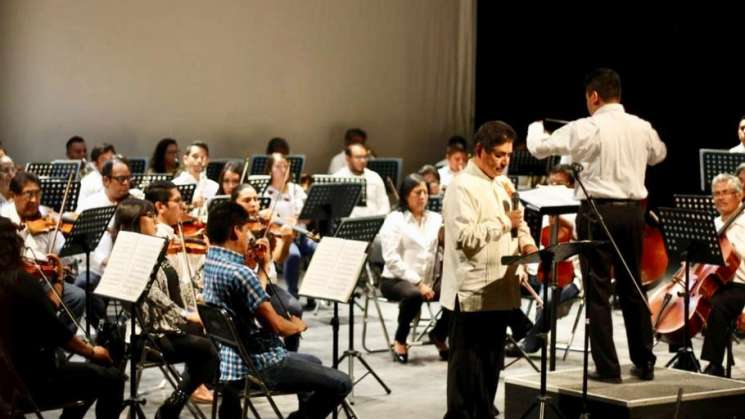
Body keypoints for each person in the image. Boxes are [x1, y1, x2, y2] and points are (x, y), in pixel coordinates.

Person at [527, 68, 667, 383]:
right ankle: (644, 361)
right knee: (633, 285)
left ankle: (608, 368)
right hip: (633, 214)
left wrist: (535, 127)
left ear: (593, 96)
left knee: (598, 290)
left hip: (597, 213)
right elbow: (659, 155)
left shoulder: (588, 127)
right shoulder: (641, 126)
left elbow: (539, 148)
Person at [202, 202, 352, 419]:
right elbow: (277, 326)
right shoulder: (240, 273)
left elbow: (249, 303)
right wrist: (297, 326)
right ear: (236, 230)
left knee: (313, 362)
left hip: (230, 360)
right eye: (247, 230)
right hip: (259, 365)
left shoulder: (212, 263)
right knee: (341, 382)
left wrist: (263, 266)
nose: (250, 236)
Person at [441, 121, 538, 419]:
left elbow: (518, 221)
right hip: (472, 293)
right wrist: (503, 224)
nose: (504, 160)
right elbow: (463, 239)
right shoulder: (462, 186)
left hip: (500, 288)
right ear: (479, 150)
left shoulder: (501, 183)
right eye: (498, 154)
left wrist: (528, 246)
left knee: (489, 369)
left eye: (507, 154)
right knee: (466, 375)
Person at [0, 216, 124, 419]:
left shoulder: (16, 283)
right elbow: (57, 333)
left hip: (5, 387)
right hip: (31, 385)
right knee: (113, 377)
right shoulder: (20, 282)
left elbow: (45, 309)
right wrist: (92, 352)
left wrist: (57, 280)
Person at [111, 198, 218, 417]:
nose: (154, 220)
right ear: (135, 222)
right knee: (209, 350)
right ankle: (175, 404)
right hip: (150, 334)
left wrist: (208, 260)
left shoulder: (158, 249)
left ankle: (176, 402)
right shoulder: (132, 257)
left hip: (170, 326)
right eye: (149, 216)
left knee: (219, 335)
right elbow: (154, 297)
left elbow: (182, 286)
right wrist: (187, 316)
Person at [506, 164, 582, 356]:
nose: (554, 187)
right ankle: (525, 329)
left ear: (571, 187)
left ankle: (530, 343)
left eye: (560, 184)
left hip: (569, 276)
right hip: (538, 271)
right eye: (551, 183)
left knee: (548, 298)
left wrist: (562, 220)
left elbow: (578, 236)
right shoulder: (540, 211)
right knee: (502, 284)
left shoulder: (577, 211)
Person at [0, 171, 86, 332]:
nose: (34, 200)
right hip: (14, 281)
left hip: (44, 278)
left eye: (37, 194)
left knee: (78, 296)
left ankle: (57, 342)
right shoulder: (4, 219)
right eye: (28, 194)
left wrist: (62, 264)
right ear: (13, 195)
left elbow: (62, 253)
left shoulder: (46, 217)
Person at [380, 173, 449, 363]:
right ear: (405, 196)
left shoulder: (435, 219)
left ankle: (439, 334)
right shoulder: (395, 219)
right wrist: (418, 283)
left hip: (428, 280)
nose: (422, 197)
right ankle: (400, 339)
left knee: (459, 291)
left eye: (425, 192)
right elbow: (391, 259)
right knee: (413, 295)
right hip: (395, 280)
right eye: (417, 192)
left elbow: (442, 249)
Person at [231, 183, 304, 350]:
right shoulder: (235, 232)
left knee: (294, 309)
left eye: (256, 199)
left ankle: (291, 354)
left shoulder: (263, 226)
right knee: (282, 313)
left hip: (269, 285)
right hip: (250, 287)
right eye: (247, 200)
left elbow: (278, 259)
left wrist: (286, 241)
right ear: (235, 204)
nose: (254, 204)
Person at [75, 158, 136, 325]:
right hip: (99, 268)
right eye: (121, 179)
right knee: (83, 282)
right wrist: (104, 261)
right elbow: (83, 245)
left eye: (128, 178)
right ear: (106, 180)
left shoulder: (134, 203)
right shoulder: (90, 205)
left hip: (129, 267)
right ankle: (101, 327)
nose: (126, 184)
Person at [699, 174, 745, 376]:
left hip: (740, 285)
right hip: (718, 282)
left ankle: (714, 364)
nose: (720, 198)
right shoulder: (714, 224)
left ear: (739, 195)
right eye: (716, 194)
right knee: (685, 304)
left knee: (717, 306)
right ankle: (684, 353)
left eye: (725, 193)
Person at [263, 153, 317, 300]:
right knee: (293, 255)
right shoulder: (266, 193)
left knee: (318, 250)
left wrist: (301, 218)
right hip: (282, 237)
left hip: (300, 235)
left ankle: (311, 291)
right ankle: (293, 294)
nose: (283, 169)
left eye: (286, 166)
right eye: (279, 166)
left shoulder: (296, 189)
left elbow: (307, 219)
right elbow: (268, 221)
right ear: (270, 171)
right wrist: (284, 224)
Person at [333, 143, 390, 217]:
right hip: (350, 223)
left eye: (365, 157)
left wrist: (377, 220)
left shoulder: (375, 177)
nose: (363, 161)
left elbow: (384, 204)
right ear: (348, 158)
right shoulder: (337, 178)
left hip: (375, 221)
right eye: (358, 157)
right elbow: (336, 209)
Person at [173, 142, 219, 216]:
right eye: (195, 156)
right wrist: (191, 206)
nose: (200, 161)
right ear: (185, 159)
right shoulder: (174, 185)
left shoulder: (214, 186)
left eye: (203, 157)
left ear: (207, 161)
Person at [77, 143, 116, 209]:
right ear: (95, 163)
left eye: (111, 159)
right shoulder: (91, 180)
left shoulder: (111, 177)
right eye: (104, 160)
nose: (109, 163)